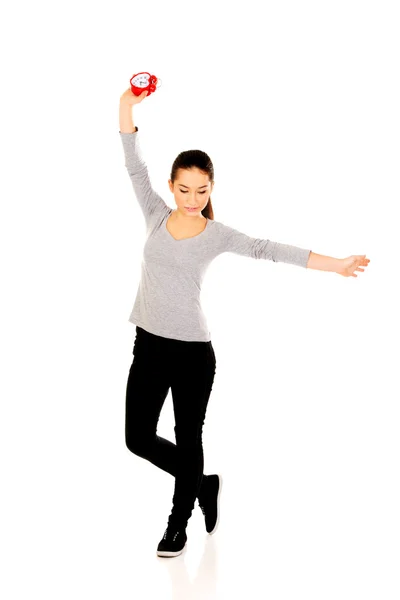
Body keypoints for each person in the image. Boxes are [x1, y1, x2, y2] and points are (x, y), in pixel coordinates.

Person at [118, 87, 370, 558]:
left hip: (193, 354)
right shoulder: (155, 215)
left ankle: (178, 526)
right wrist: (126, 105)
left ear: (211, 189)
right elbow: (134, 164)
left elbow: (267, 249)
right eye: (184, 188)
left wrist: (334, 263)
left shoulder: (217, 235)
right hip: (148, 345)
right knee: (137, 437)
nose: (192, 198)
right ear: (172, 187)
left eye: (202, 190)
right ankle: (202, 482)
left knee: (187, 437)